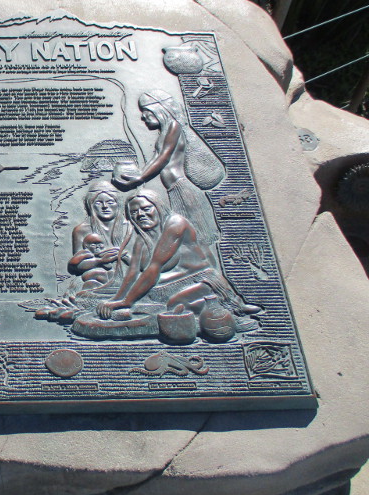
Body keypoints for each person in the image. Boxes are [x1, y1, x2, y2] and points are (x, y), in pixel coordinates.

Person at [97, 189, 259, 322]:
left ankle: (226, 311)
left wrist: (127, 302)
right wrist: (116, 300)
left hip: (201, 282)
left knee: (174, 306)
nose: (140, 215)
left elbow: (154, 268)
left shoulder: (176, 223)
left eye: (146, 209)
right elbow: (132, 274)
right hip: (163, 289)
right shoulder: (142, 238)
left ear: (158, 207)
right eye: (134, 212)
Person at [114, 90, 220, 266]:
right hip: (174, 190)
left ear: (158, 109)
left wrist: (140, 177)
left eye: (146, 112)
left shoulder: (173, 126)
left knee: (197, 236)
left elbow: (164, 157)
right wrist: (139, 175)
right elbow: (156, 158)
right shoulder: (165, 130)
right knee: (187, 238)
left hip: (183, 190)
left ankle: (209, 271)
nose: (143, 117)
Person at [72, 179, 127, 254]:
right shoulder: (81, 230)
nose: (105, 206)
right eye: (98, 203)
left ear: (118, 204)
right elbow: (78, 259)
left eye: (110, 202)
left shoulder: (128, 228)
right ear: (91, 206)